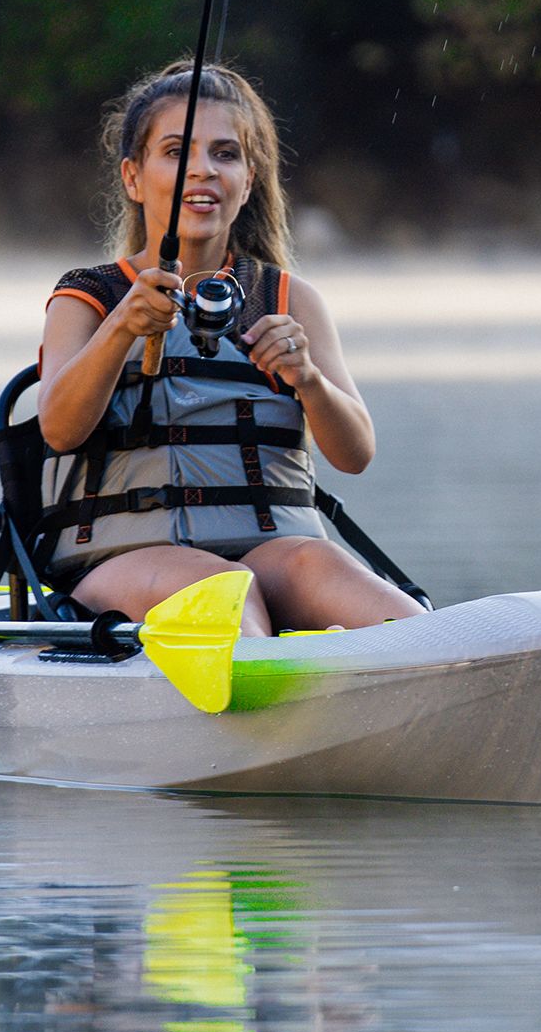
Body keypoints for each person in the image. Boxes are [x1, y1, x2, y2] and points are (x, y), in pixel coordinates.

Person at [37, 60, 424, 637]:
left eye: (225, 154)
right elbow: (59, 430)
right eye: (176, 152)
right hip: (121, 563)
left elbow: (355, 454)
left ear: (249, 181)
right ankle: (262, 710)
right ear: (133, 177)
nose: (203, 171)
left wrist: (308, 380)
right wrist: (122, 328)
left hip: (274, 550)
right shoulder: (87, 298)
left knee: (376, 601)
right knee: (223, 594)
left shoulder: (291, 299)